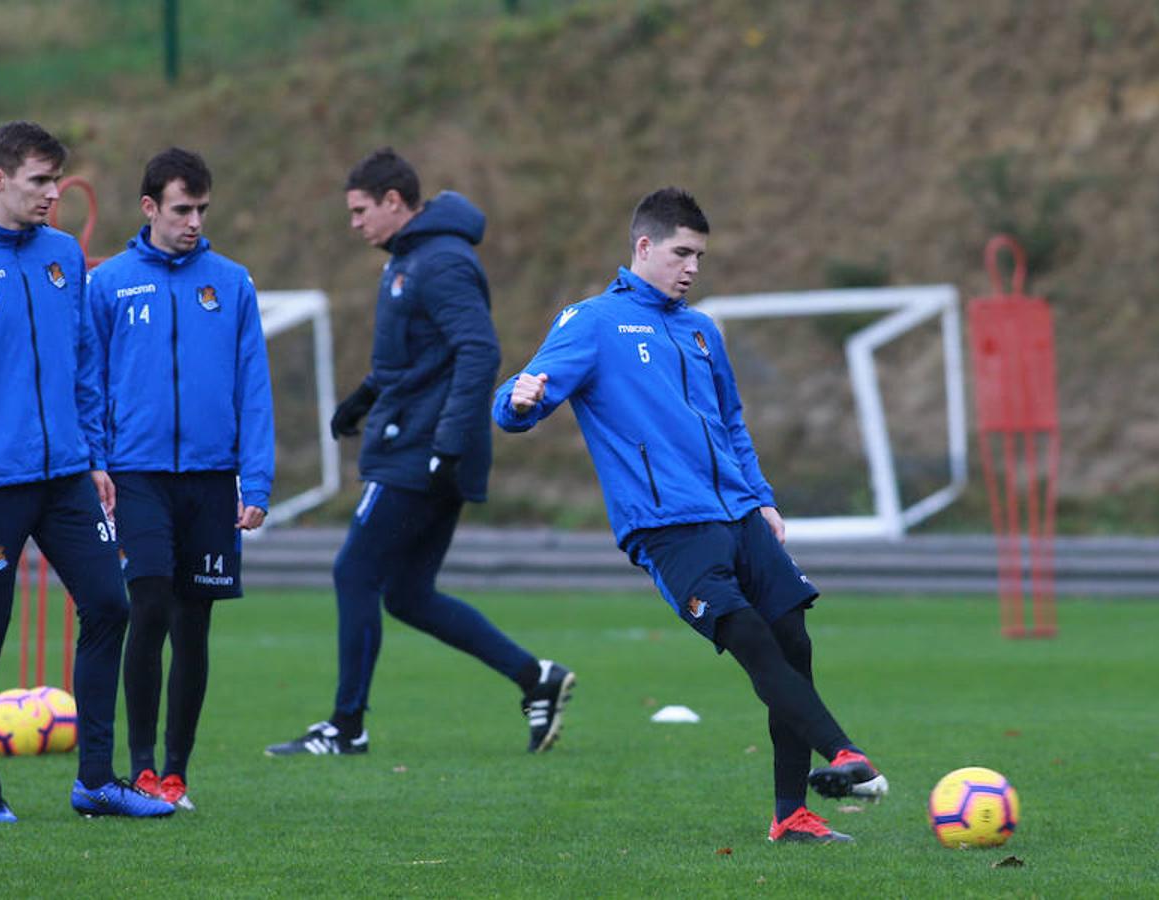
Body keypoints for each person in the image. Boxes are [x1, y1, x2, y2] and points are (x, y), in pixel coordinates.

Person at [492, 187, 888, 843]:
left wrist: (761, 497)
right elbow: (518, 399)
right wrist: (519, 400)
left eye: (700, 256)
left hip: (738, 514)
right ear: (644, 247)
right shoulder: (593, 322)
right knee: (749, 637)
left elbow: (730, 422)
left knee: (794, 642)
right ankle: (846, 753)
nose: (692, 267)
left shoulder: (702, 330)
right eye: (681, 253)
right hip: (668, 525)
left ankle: (792, 815)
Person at [0, 121, 174, 821]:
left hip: (66, 477)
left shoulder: (62, 256)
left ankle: (95, 782)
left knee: (111, 605)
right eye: (39, 181)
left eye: (57, 180)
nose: (53, 193)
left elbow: (84, 364)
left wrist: (96, 458)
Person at [265, 148, 573, 757]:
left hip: (421, 451)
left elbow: (479, 351)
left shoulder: (441, 261)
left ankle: (346, 727)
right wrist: (362, 399)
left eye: (361, 211)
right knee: (407, 594)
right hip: (418, 444)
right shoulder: (408, 260)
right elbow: (413, 361)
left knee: (353, 572)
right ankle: (535, 678)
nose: (354, 223)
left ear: (394, 202)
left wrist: (447, 444)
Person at [89, 148, 275, 811]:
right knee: (148, 607)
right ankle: (141, 770)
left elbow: (254, 387)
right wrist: (96, 459)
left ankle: (176, 774)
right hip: (136, 474)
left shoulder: (232, 284)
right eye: (181, 209)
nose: (194, 221)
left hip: (211, 479)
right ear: (150, 208)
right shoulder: (109, 284)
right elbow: (89, 381)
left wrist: (257, 481)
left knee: (194, 625)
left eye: (201, 209)